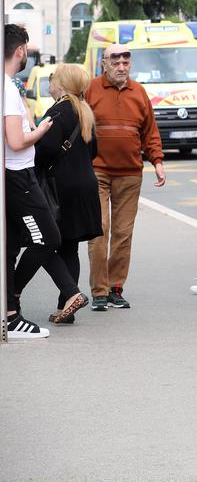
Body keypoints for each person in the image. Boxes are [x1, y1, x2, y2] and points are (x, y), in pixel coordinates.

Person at [4, 25, 87, 338]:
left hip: (16, 176)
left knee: (12, 245)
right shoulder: (9, 89)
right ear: (21, 50)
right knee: (47, 238)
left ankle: (11, 314)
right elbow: (15, 141)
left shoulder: (9, 88)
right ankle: (10, 304)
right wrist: (40, 131)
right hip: (18, 177)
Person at [13, 64, 102, 325]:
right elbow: (94, 150)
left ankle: (66, 294)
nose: (50, 84)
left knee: (43, 240)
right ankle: (67, 305)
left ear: (61, 84)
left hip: (58, 187)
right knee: (69, 245)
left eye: (52, 80)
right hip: (85, 185)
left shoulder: (58, 111)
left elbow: (45, 151)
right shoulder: (85, 111)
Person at [85, 42, 166, 311]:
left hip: (130, 174)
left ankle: (115, 288)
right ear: (104, 63)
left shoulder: (139, 92)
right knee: (100, 231)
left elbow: (150, 132)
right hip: (97, 171)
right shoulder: (91, 89)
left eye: (125, 62)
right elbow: (78, 125)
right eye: (115, 62)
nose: (121, 67)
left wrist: (157, 161)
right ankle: (98, 291)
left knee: (122, 233)